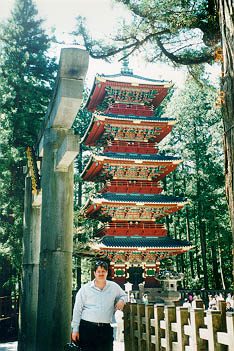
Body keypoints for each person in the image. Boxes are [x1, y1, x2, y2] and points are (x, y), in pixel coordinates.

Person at [71, 261, 127, 351]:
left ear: (107, 273)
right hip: (87, 328)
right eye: (99, 271)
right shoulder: (85, 289)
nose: (101, 273)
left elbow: (124, 295)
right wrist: (75, 329)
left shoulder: (113, 287)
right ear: (94, 273)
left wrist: (121, 300)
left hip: (105, 329)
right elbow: (77, 310)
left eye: (103, 271)